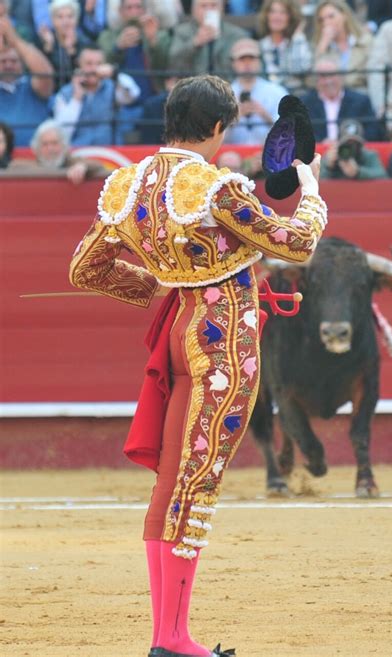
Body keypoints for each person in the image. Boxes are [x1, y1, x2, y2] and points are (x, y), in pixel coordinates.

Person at [69, 74, 329, 657]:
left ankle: (168, 636)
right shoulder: (216, 187)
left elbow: (85, 270)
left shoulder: (128, 184)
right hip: (222, 343)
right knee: (196, 483)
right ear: (216, 128)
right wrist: (311, 190)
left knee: (172, 482)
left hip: (178, 332)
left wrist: (154, 283)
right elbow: (295, 243)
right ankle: (175, 639)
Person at [53, 45, 141, 145]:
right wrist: (76, 98)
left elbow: (134, 94)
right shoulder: (65, 93)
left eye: (99, 64)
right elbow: (61, 133)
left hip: (110, 154)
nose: (94, 69)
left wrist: (114, 74)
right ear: (79, 64)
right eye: (88, 64)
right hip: (78, 154)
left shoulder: (112, 87)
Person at [98, 0, 171, 99]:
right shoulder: (108, 36)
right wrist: (118, 47)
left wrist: (153, 41)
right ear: (120, 11)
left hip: (154, 96)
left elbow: (167, 65)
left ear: (144, 10)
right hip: (121, 99)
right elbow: (101, 65)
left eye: (138, 7)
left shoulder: (160, 35)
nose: (134, 12)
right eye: (129, 7)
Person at [300, 54, 381, 142]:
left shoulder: (361, 101)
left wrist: (347, 142)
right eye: (323, 76)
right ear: (316, 80)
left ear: (341, 76)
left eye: (331, 75)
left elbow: (373, 133)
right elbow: (299, 136)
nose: (328, 81)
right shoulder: (304, 104)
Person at [0, 15, 54, 146]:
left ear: (23, 63)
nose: (8, 65)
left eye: (14, 61)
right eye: (3, 61)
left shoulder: (31, 85)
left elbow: (46, 74)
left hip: (36, 158)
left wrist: (15, 40)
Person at [225, 37, 288, 145]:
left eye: (252, 58)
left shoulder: (277, 92)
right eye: (242, 59)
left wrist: (266, 116)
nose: (247, 63)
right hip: (232, 155)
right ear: (233, 63)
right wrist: (235, 118)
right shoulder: (223, 95)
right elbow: (215, 139)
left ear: (259, 61)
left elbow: (290, 135)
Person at [168, 0, 248, 79]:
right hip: (191, 88)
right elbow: (172, 62)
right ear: (194, 10)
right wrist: (195, 43)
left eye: (214, 5)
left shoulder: (236, 34)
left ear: (222, 9)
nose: (209, 10)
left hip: (226, 87)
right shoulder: (182, 32)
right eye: (203, 6)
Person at [11, 118, 108, 182]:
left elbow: (98, 165)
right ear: (37, 148)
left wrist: (83, 167)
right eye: (45, 144)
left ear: (64, 145)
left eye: (54, 143)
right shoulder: (28, 165)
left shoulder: (71, 161)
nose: (50, 149)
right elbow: (12, 167)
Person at [312, 0, 373, 93]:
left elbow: (373, 76)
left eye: (331, 16)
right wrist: (322, 46)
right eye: (321, 20)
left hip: (361, 96)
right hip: (331, 98)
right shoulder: (320, 45)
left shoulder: (366, 41)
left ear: (344, 15)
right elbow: (311, 81)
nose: (326, 22)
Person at [257, 0, 312, 93]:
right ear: (266, 16)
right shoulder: (260, 46)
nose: (276, 17)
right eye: (272, 11)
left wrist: (297, 37)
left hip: (294, 96)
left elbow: (299, 70)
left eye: (283, 12)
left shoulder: (298, 42)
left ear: (291, 17)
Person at [38, 0, 92, 90]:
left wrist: (72, 52)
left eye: (70, 16)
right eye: (60, 17)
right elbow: (41, 75)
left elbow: (86, 76)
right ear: (52, 20)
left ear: (77, 19)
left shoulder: (85, 44)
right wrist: (48, 48)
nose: (66, 22)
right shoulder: (44, 41)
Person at [320, 118, 387, 179]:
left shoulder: (368, 155)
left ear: (361, 144)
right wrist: (328, 167)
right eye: (347, 143)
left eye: (355, 143)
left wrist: (358, 172)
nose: (351, 147)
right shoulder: (331, 155)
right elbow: (315, 182)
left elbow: (383, 176)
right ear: (339, 143)